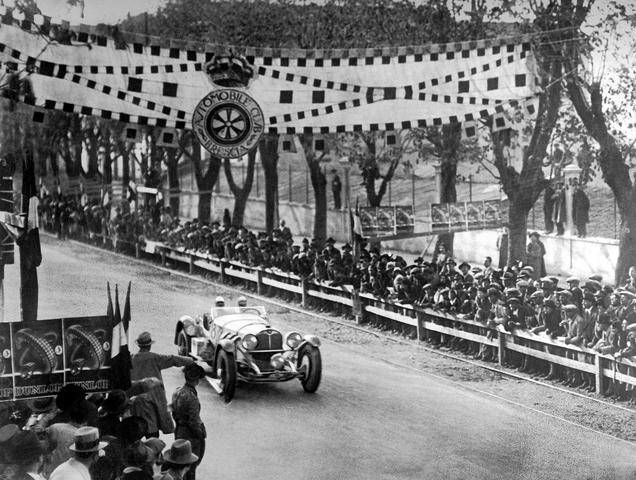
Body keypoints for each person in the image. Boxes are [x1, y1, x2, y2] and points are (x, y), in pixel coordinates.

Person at [131, 331, 194, 436]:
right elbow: (173, 359)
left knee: (135, 430)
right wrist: (191, 360)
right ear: (149, 345)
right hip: (151, 400)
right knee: (152, 431)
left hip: (134, 399)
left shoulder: (131, 358)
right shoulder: (155, 358)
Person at [171, 363, 206, 480]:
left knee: (180, 463)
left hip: (179, 431)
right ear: (197, 380)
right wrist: (200, 435)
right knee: (190, 466)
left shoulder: (177, 391)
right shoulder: (191, 397)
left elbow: (173, 412)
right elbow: (193, 422)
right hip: (190, 435)